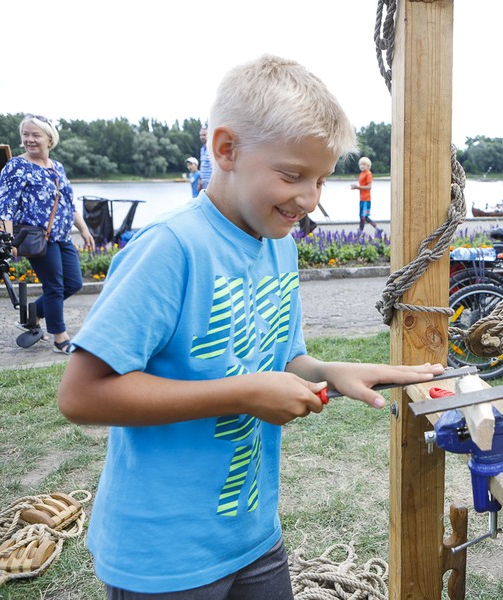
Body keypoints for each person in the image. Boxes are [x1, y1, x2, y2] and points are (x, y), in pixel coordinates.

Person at [57, 55, 444, 598]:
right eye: (291, 176)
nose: (308, 199)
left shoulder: (278, 245)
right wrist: (243, 394)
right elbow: (82, 396)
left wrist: (332, 372)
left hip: (252, 534)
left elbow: (280, 359)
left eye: (321, 179)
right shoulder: (171, 248)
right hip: (165, 554)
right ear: (225, 149)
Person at [0, 114, 95, 354]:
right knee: (54, 286)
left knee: (74, 283)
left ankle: (35, 313)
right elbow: (6, 206)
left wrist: (83, 229)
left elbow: (68, 204)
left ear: (49, 139)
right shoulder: (17, 166)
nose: (29, 139)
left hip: (61, 235)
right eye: (26, 134)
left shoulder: (57, 167)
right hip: (37, 236)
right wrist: (8, 240)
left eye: (35, 135)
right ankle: (60, 338)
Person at [351, 156, 378, 232]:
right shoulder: (361, 174)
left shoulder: (368, 174)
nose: (362, 166)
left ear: (368, 166)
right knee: (362, 216)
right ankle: (377, 229)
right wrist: (356, 187)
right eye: (360, 164)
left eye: (364, 164)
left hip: (367, 199)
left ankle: (360, 232)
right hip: (362, 198)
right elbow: (361, 186)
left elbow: (369, 187)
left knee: (363, 216)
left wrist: (357, 187)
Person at [198, 126, 212, 193]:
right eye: (200, 135)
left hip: (211, 183)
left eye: (204, 135)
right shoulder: (202, 149)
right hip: (204, 183)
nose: (201, 137)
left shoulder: (212, 148)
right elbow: (202, 165)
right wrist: (200, 180)